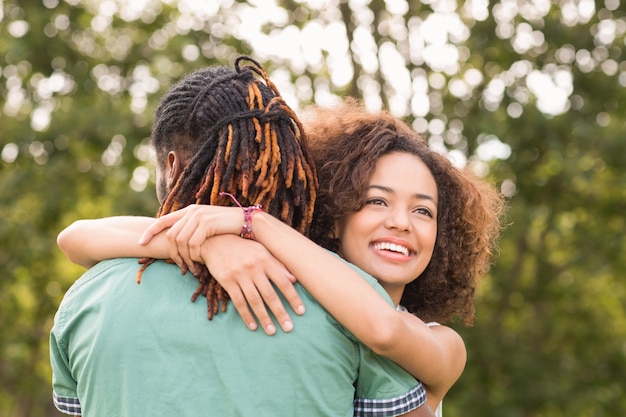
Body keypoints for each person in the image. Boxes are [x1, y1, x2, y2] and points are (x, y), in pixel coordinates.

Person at [58, 100, 505, 414]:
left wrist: (253, 223)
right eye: (376, 201)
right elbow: (78, 237)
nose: (402, 223)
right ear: (334, 213)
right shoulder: (295, 294)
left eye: (423, 210)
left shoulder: (441, 343)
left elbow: (383, 328)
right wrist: (211, 243)